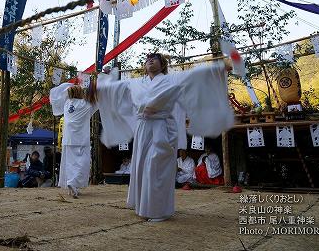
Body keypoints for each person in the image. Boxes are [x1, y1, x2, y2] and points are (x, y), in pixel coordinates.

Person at [96, 53, 234, 221]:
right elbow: (113, 88)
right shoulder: (136, 83)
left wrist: (220, 68)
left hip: (162, 127)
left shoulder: (172, 79)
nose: (150, 61)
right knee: (141, 167)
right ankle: (143, 206)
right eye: (148, 59)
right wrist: (99, 84)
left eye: (155, 59)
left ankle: (159, 210)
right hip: (142, 128)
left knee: (157, 167)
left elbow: (195, 76)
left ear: (162, 65)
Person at [50, 81, 98, 198]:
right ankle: (73, 182)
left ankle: (73, 186)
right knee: (82, 163)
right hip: (81, 139)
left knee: (70, 164)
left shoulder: (67, 104)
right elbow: (97, 99)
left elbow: (64, 92)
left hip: (68, 139)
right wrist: (95, 81)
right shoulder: (85, 105)